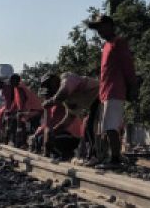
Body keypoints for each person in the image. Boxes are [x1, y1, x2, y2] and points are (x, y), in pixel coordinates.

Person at [86, 14, 137, 166]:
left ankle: (115, 159)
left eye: (101, 27)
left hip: (115, 90)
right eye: (97, 29)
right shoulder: (106, 45)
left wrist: (133, 86)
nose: (99, 31)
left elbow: (128, 66)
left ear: (109, 26)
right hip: (105, 92)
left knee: (110, 126)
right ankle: (110, 156)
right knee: (106, 127)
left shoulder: (118, 42)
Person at [43, 71, 101, 159]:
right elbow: (69, 118)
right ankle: (94, 156)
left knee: (91, 127)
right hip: (94, 104)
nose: (51, 87)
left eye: (49, 83)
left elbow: (63, 93)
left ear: (55, 79)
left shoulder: (67, 78)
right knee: (87, 128)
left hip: (101, 95)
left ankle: (98, 156)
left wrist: (50, 101)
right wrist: (53, 132)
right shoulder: (68, 100)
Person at [38, 76, 87, 159]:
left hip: (72, 134)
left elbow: (53, 126)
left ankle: (66, 154)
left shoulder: (62, 97)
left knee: (51, 136)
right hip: (62, 132)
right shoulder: (51, 105)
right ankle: (58, 154)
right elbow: (47, 125)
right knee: (41, 138)